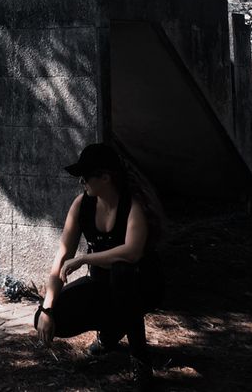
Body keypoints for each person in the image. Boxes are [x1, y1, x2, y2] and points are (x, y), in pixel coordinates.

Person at [33, 142, 164, 390]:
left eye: (85, 176)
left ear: (105, 177)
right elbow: (61, 256)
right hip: (102, 284)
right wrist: (47, 308)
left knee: (122, 273)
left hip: (143, 285)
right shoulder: (81, 205)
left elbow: (132, 252)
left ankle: (140, 361)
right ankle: (111, 333)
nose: (81, 182)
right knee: (50, 316)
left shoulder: (133, 205)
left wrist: (85, 258)